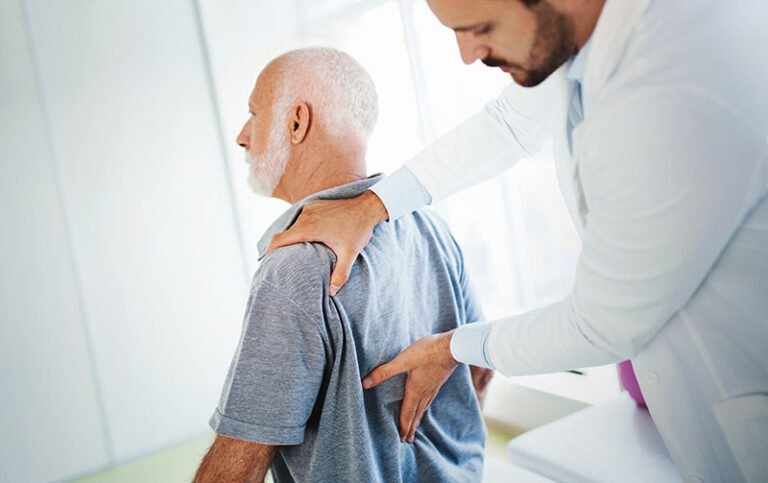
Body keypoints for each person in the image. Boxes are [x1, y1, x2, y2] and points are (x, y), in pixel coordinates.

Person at [267, 1, 768, 481]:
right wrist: (372, 206)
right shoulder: (590, 38)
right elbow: (510, 122)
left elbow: (600, 326)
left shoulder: (670, 82)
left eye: (480, 27)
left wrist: (454, 348)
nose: (468, 54)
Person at [193, 47, 493, 483]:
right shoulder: (431, 228)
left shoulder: (295, 269)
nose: (242, 136)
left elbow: (238, 468)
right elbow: (480, 371)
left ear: (297, 122)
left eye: (254, 114)